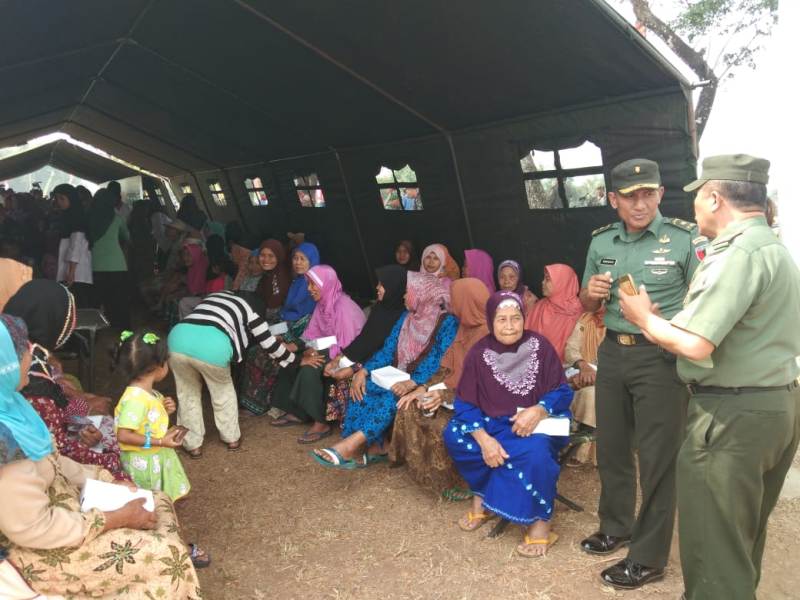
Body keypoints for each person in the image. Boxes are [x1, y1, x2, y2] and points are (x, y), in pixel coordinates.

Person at [618, 155, 800, 600]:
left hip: (730, 415)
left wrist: (644, 319)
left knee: (714, 547)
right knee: (740, 538)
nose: (695, 207)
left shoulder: (736, 253)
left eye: (698, 196)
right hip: (775, 404)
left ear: (715, 197)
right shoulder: (772, 248)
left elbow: (698, 344)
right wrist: (672, 324)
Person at [0, 315, 205, 599]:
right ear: (5, 364)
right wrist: (112, 518)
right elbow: (35, 529)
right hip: (31, 552)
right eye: (24, 352)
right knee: (165, 556)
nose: (33, 359)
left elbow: (54, 463)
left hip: (63, 515)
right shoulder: (3, 443)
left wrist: (105, 480)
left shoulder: (13, 406)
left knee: (157, 500)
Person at [578, 158, 705, 589]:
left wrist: (667, 324)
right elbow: (586, 305)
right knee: (611, 447)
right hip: (613, 353)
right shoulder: (601, 242)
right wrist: (591, 295)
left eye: (648, 193)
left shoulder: (684, 239)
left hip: (660, 359)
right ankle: (616, 526)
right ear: (613, 200)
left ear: (660, 195)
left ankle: (649, 558)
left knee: (657, 460)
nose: (640, 203)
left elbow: (706, 303)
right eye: (630, 196)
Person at [443, 291, 573, 557]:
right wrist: (484, 440)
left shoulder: (541, 346)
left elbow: (562, 391)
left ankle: (540, 523)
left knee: (536, 452)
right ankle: (484, 497)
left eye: (516, 318)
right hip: (493, 424)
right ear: (491, 321)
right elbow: (465, 403)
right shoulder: (479, 353)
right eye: (501, 319)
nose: (510, 325)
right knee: (455, 435)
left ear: (524, 319)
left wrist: (539, 409)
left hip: (538, 423)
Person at [312, 272, 457, 468]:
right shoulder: (407, 317)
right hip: (396, 374)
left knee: (392, 397)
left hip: (423, 380)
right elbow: (388, 349)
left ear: (423, 294)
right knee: (363, 388)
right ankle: (376, 446)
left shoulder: (447, 322)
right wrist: (364, 372)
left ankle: (348, 446)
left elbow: (438, 358)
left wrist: (413, 382)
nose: (404, 297)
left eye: (409, 292)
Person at [5, 280, 130, 482]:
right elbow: (57, 452)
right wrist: (101, 455)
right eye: (68, 317)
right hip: (48, 461)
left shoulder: (17, 348)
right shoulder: (32, 383)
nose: (71, 325)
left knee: (95, 413)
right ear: (50, 320)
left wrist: (79, 421)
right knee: (111, 453)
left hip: (56, 436)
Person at [168, 291, 309, 457]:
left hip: (178, 339)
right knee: (222, 392)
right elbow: (270, 345)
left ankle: (192, 445)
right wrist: (296, 360)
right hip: (213, 346)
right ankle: (231, 439)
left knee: (187, 394)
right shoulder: (249, 310)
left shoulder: (214, 297)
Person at [390, 278, 490, 495]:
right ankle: (424, 473)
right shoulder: (465, 327)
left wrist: (444, 396)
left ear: (468, 301)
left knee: (440, 424)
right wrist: (424, 388)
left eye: (455, 298)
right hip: (451, 391)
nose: (450, 302)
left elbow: (484, 386)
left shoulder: (490, 336)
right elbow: (445, 368)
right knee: (409, 405)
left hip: (477, 403)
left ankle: (457, 483)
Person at [270, 265, 366, 443]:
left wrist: (318, 351)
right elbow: (313, 334)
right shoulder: (323, 304)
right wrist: (305, 347)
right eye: (308, 284)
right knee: (292, 360)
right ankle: (298, 412)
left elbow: (350, 345)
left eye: (314, 284)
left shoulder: (344, 308)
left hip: (347, 354)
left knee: (309, 367)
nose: (309, 289)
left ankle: (320, 422)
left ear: (326, 284)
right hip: (329, 348)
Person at [237, 243, 321, 417]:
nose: (297, 263)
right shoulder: (297, 281)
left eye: (302, 259)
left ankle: (260, 403)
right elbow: (286, 313)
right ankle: (255, 402)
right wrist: (278, 333)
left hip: (303, 334)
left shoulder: (316, 284)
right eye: (295, 258)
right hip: (287, 326)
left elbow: (310, 320)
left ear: (312, 261)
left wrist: (287, 337)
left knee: (263, 353)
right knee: (256, 350)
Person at [322, 265, 408, 424]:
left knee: (350, 379)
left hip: (383, 366)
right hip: (366, 360)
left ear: (394, 286)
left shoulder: (402, 317)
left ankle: (353, 428)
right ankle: (341, 425)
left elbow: (386, 352)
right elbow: (364, 339)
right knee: (333, 370)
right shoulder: (380, 308)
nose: (377, 287)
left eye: (382, 284)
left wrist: (355, 368)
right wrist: (339, 358)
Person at [113, 330, 191, 501]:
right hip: (144, 463)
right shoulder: (137, 400)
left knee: (157, 499)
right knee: (150, 499)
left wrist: (164, 408)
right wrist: (161, 441)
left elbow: (145, 419)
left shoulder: (147, 394)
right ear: (159, 366)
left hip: (152, 455)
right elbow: (124, 435)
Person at [563, 308, 606, 465]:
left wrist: (599, 376)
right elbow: (571, 349)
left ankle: (583, 452)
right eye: (599, 302)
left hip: (612, 378)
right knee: (586, 391)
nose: (601, 307)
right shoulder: (586, 320)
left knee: (593, 394)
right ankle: (578, 447)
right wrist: (583, 366)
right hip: (583, 373)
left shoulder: (622, 325)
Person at [87, 188, 131, 329]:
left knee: (98, 299)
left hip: (95, 265)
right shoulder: (117, 218)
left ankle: (96, 329)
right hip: (117, 264)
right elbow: (128, 237)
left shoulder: (88, 217)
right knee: (118, 300)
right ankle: (122, 329)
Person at [524, 264, 583, 361]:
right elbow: (526, 338)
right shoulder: (540, 306)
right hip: (532, 365)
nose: (542, 282)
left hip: (565, 370)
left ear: (562, 282)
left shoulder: (577, 312)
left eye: (547, 279)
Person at [53, 183, 93, 308]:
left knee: (77, 304)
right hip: (71, 270)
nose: (59, 202)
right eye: (57, 199)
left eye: (62, 198)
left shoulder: (76, 219)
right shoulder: (69, 217)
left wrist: (71, 272)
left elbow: (76, 247)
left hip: (75, 272)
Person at [255, 239, 291, 321]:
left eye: (271, 256)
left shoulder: (280, 277)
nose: (266, 260)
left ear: (279, 256)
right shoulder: (268, 275)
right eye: (262, 255)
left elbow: (273, 307)